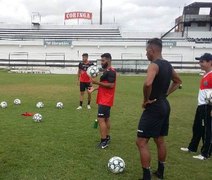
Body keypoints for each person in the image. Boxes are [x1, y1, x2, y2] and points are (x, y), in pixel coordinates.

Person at [136, 38, 182, 180]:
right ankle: (161, 172)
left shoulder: (154, 65)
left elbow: (147, 83)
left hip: (154, 106)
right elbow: (178, 81)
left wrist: (145, 100)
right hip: (164, 105)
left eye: (146, 51)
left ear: (152, 50)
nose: (146, 54)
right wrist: (166, 94)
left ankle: (146, 177)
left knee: (141, 141)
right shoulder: (168, 65)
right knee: (159, 139)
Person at [180, 53, 212, 160]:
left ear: (210, 62)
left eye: (202, 61)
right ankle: (192, 147)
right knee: (197, 128)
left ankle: (205, 153)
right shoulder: (205, 74)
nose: (200, 64)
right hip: (201, 106)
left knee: (207, 130)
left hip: (208, 107)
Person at [88, 53, 116, 149]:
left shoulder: (111, 71)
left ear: (108, 60)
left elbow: (111, 85)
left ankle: (104, 141)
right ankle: (107, 137)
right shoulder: (106, 71)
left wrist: (96, 82)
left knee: (101, 119)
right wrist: (94, 89)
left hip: (105, 99)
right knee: (106, 118)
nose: (101, 62)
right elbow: (104, 85)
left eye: (103, 61)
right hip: (103, 98)